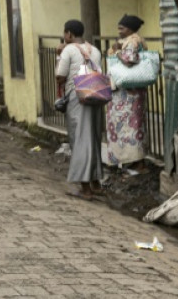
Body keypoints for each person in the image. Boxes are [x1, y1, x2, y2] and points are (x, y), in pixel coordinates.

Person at [56, 19, 105, 200]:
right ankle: (96, 183)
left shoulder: (68, 50)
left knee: (79, 140)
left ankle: (85, 189)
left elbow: (60, 76)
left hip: (78, 98)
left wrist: (58, 56)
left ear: (69, 33)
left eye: (65, 33)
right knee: (93, 139)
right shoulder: (95, 50)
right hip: (95, 95)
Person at [105, 15, 149, 172]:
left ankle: (137, 162)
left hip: (128, 95)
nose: (119, 30)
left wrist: (117, 51)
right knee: (132, 127)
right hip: (130, 93)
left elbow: (129, 60)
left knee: (130, 128)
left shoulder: (132, 41)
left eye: (122, 28)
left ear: (130, 29)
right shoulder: (132, 40)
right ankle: (133, 161)